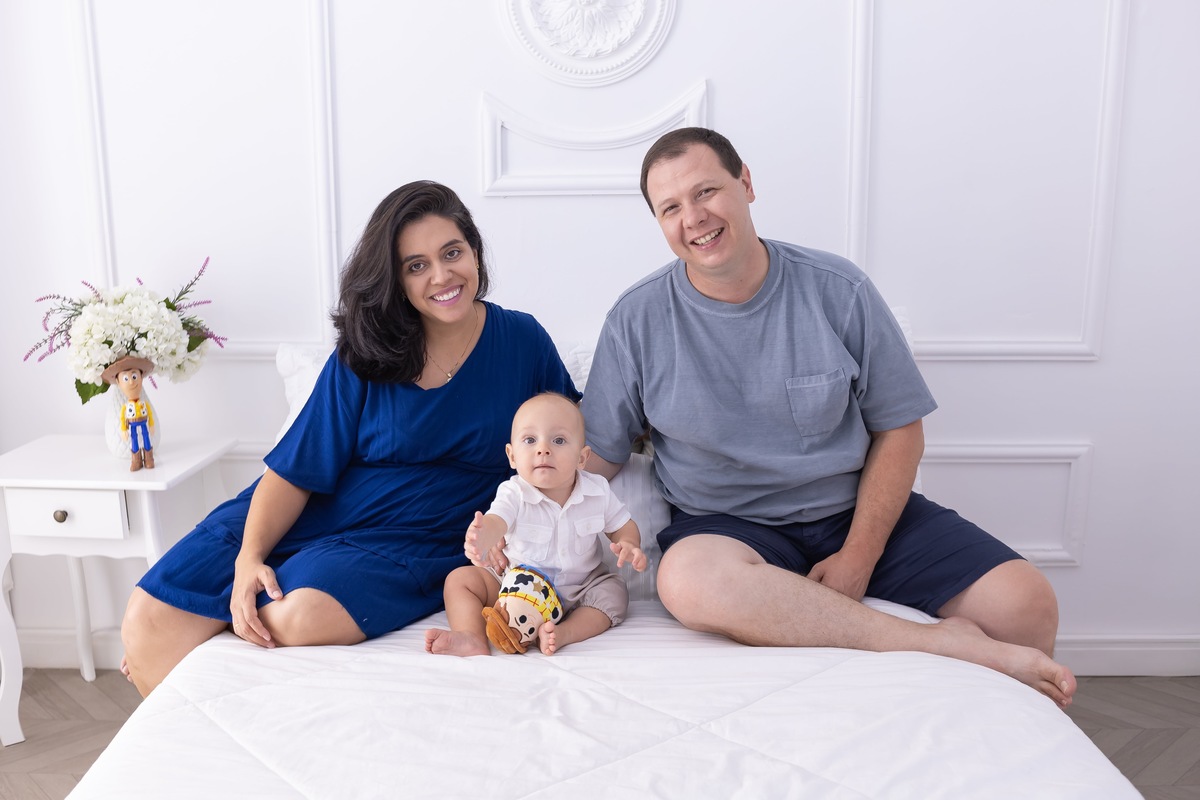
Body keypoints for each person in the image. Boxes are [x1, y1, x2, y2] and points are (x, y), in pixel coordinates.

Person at [579, 127, 1077, 707]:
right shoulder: (635, 320)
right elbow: (599, 455)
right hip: (728, 529)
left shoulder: (839, 291)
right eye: (670, 208)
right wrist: (520, 495)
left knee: (1027, 604)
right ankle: (934, 642)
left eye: (706, 191)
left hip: (855, 513)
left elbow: (900, 429)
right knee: (686, 583)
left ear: (745, 183)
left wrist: (858, 558)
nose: (693, 217)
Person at [120, 181, 580, 697]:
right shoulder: (367, 349)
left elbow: (573, 438)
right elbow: (296, 468)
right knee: (147, 622)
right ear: (396, 278)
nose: (442, 275)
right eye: (416, 265)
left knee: (295, 616)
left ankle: (226, 635)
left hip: (423, 533)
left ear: (474, 250)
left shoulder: (522, 340)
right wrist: (250, 557)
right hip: (320, 506)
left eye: (452, 253)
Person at [425, 392, 645, 657]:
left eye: (559, 440)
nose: (543, 449)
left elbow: (622, 525)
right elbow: (498, 521)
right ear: (512, 456)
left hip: (578, 591)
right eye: (530, 440)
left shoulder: (596, 491)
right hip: (514, 587)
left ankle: (563, 633)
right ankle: (470, 636)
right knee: (459, 580)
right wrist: (482, 537)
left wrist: (629, 543)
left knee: (616, 594)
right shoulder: (514, 492)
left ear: (582, 458)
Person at [103, 355, 156, 471]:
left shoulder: (143, 403)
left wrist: (151, 424)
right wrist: (123, 430)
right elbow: (123, 419)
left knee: (146, 437)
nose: (131, 382)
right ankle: (136, 460)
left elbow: (150, 414)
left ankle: (149, 458)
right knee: (134, 439)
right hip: (131, 425)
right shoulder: (125, 407)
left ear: (141, 377)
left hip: (143, 422)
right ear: (118, 382)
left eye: (134, 376)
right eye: (126, 379)